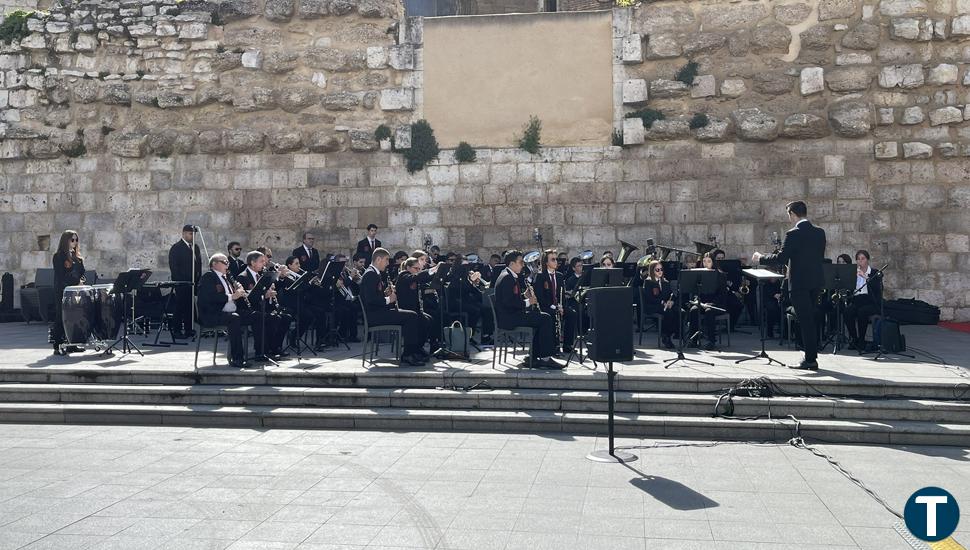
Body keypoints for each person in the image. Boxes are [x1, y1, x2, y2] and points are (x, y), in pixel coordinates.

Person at [753, 200, 826, 370]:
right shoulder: (820, 233)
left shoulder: (793, 234)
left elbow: (781, 258)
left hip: (799, 283)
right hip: (815, 282)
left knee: (805, 320)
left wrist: (760, 257)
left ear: (792, 214)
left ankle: (810, 359)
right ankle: (810, 355)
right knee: (810, 319)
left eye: (789, 215)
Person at [494, 250, 563, 369]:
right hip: (509, 319)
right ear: (511, 264)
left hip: (512, 315)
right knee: (545, 318)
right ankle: (545, 358)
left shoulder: (509, 276)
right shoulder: (506, 278)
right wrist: (527, 302)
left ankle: (532, 356)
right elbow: (507, 302)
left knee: (540, 318)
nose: (523, 265)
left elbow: (511, 298)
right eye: (520, 262)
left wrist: (523, 296)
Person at [360, 248, 428, 366]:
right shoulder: (370, 274)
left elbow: (375, 294)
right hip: (375, 316)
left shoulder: (374, 273)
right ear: (378, 259)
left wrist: (386, 293)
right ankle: (408, 354)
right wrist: (388, 299)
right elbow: (370, 299)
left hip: (379, 312)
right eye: (386, 260)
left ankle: (413, 351)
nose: (387, 263)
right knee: (411, 316)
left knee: (413, 315)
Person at [196, 253, 259, 368]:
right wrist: (232, 296)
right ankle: (237, 358)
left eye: (228, 262)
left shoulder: (227, 278)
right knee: (234, 318)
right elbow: (209, 297)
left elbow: (234, 298)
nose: (228, 264)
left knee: (256, 316)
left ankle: (260, 352)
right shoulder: (209, 277)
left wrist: (240, 293)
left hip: (229, 312)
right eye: (224, 262)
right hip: (212, 314)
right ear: (214, 264)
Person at [235, 250, 293, 361]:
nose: (264, 263)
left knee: (286, 317)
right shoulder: (243, 277)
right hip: (250, 309)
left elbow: (274, 285)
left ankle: (275, 347)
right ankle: (261, 351)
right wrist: (264, 295)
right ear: (252, 263)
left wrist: (279, 278)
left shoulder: (262, 274)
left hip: (264, 307)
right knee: (270, 318)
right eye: (261, 261)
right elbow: (245, 299)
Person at [395, 257, 442, 352]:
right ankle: (414, 350)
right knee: (423, 321)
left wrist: (438, 272)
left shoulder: (414, 276)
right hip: (406, 309)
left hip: (415, 309)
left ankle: (422, 347)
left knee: (430, 320)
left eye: (419, 269)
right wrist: (433, 269)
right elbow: (416, 277)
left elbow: (424, 278)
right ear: (408, 267)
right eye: (416, 268)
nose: (418, 271)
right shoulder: (403, 275)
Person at [51, 230, 86, 355]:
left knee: (75, 317)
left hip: (76, 291)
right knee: (61, 317)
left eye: (76, 240)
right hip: (63, 291)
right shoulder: (59, 256)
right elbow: (61, 275)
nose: (75, 242)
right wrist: (76, 281)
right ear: (66, 241)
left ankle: (72, 344)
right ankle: (57, 345)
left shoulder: (77, 257)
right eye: (72, 240)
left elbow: (82, 272)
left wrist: (81, 281)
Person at [533, 250, 575, 354]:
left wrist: (561, 306)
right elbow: (540, 297)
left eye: (556, 259)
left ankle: (567, 345)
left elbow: (562, 294)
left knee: (572, 314)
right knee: (551, 315)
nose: (556, 262)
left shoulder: (560, 276)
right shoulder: (540, 276)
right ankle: (554, 345)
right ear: (546, 263)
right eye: (553, 259)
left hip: (558, 305)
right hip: (545, 307)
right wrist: (554, 307)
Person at [168, 224, 202, 339]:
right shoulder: (176, 248)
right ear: (184, 233)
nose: (192, 236)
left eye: (193, 234)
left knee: (190, 307)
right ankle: (176, 330)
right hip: (182, 283)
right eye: (190, 234)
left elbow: (199, 265)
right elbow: (174, 267)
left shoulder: (195, 247)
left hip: (193, 282)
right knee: (180, 306)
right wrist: (181, 281)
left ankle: (189, 329)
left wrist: (198, 280)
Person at [844, 249, 882, 352]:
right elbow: (850, 290)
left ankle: (861, 340)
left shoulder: (874, 272)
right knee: (847, 312)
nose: (860, 261)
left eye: (863, 258)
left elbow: (877, 289)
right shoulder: (854, 273)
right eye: (858, 259)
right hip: (857, 300)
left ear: (867, 260)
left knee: (862, 312)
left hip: (870, 301)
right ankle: (854, 338)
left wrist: (864, 276)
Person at [641, 260, 679, 349]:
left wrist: (671, 301)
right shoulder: (648, 282)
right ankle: (666, 336)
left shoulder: (665, 282)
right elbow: (650, 298)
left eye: (661, 269)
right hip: (652, 306)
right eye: (657, 270)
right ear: (652, 271)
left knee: (679, 311)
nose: (660, 271)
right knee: (668, 312)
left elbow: (671, 294)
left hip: (664, 305)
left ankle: (670, 333)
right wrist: (663, 302)